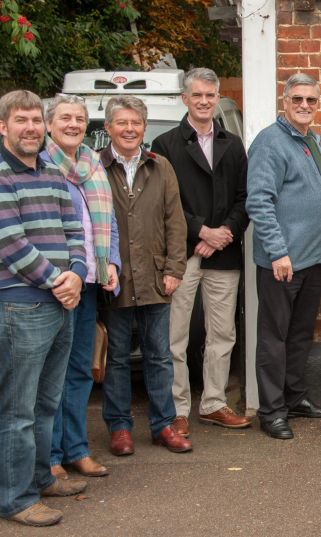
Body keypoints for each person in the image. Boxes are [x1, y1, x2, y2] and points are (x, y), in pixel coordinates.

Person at [247, 73, 321, 440]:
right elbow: (259, 201)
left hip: (311, 261)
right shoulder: (271, 142)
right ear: (285, 101)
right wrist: (278, 252)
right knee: (273, 338)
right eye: (297, 99)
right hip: (283, 263)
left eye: (311, 100)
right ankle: (271, 410)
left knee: (298, 336)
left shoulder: (311, 140)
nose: (304, 106)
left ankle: (294, 398)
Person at [0, 90, 88, 527]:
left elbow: (75, 230)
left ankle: (40, 479)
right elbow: (10, 242)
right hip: (22, 307)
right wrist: (59, 282)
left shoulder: (54, 174)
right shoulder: (1, 175)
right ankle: (15, 499)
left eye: (36, 119)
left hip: (60, 304)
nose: (31, 127)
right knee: (17, 410)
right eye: (21, 120)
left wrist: (76, 271)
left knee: (45, 404)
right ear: (4, 127)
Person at [152, 68, 250, 438]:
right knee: (175, 335)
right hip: (182, 252)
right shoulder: (165, 145)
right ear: (185, 98)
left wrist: (224, 232)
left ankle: (212, 403)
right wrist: (201, 231)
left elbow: (245, 198)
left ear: (216, 96)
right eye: (197, 95)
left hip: (223, 251)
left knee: (222, 333)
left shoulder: (233, 143)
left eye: (210, 95)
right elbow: (164, 200)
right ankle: (177, 409)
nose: (205, 101)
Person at [98, 96, 191, 455]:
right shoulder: (96, 167)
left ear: (144, 127)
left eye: (135, 122)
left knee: (158, 355)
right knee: (118, 357)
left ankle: (163, 425)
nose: (129, 129)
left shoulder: (160, 166)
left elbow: (175, 221)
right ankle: (119, 428)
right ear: (108, 128)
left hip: (154, 276)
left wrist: (174, 269)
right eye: (121, 122)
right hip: (114, 278)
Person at [40, 95, 120, 481]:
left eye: (79, 118)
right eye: (65, 118)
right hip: (55, 286)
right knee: (50, 375)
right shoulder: (38, 165)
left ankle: (76, 449)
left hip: (89, 282)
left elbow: (108, 221)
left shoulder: (92, 164)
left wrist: (112, 263)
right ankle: (51, 456)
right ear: (49, 124)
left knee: (80, 372)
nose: (73, 124)